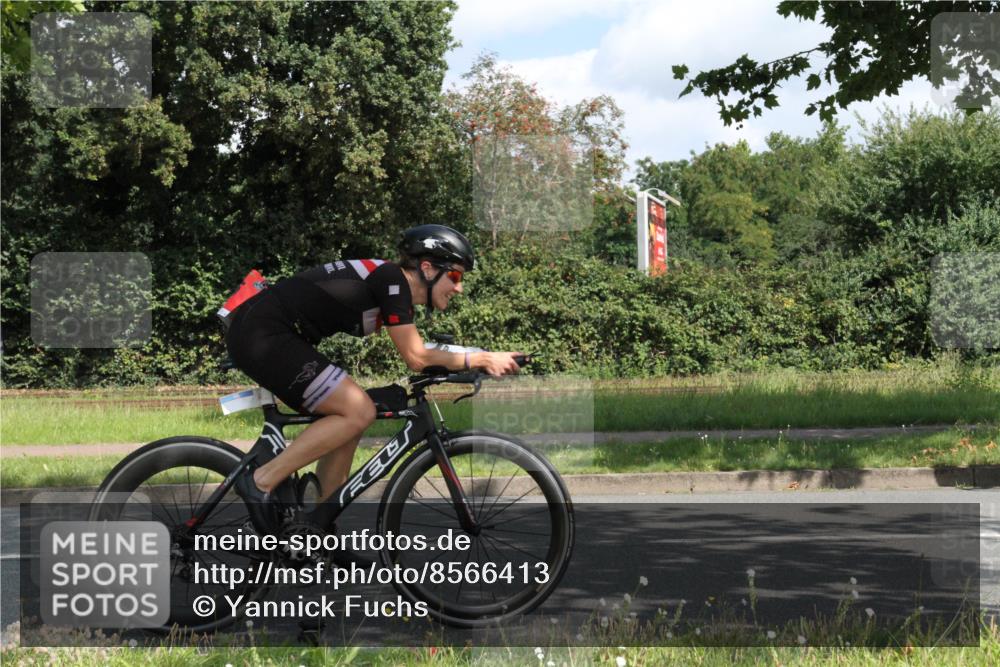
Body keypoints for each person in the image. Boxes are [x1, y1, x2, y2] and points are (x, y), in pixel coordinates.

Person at [224, 224, 523, 533]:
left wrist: (479, 358)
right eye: (456, 277)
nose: (458, 288)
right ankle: (261, 481)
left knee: (350, 421)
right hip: (263, 333)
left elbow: (423, 350)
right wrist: (483, 358)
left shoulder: (394, 289)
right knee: (358, 410)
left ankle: (318, 531)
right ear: (427, 268)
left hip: (269, 332)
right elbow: (417, 356)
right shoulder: (392, 280)